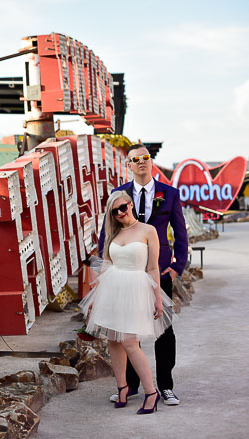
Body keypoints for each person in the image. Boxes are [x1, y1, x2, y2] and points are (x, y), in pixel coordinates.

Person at [98, 144, 188, 406]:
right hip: (124, 274)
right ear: (128, 165)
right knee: (125, 331)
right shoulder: (118, 194)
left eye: (146, 158)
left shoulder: (169, 194)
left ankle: (166, 386)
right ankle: (132, 385)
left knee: (164, 330)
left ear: (151, 162)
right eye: (135, 159)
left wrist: (177, 266)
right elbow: (106, 234)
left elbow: (180, 233)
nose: (142, 162)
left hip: (158, 272)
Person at [80, 191, 176, 414]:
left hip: (136, 288)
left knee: (130, 342)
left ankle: (151, 392)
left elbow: (152, 267)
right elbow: (105, 264)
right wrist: (96, 297)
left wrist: (158, 297)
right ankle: (122, 387)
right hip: (112, 288)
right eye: (114, 211)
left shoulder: (147, 230)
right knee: (113, 340)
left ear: (131, 204)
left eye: (123, 207)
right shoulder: (113, 233)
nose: (120, 213)